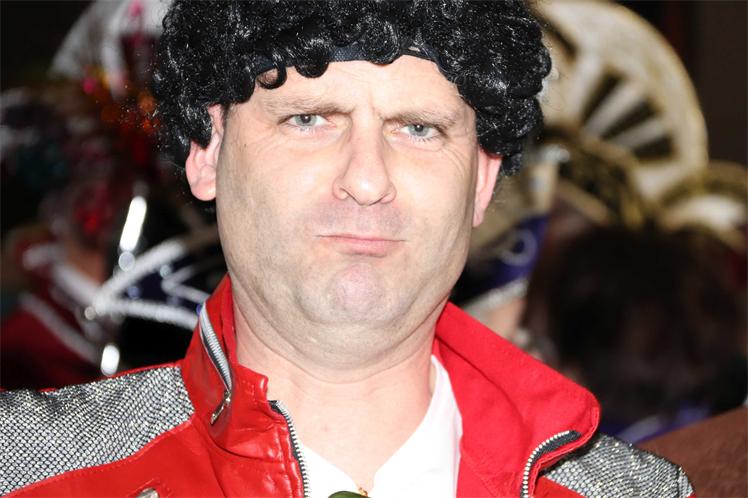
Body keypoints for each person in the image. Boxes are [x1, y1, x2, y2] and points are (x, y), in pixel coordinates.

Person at [1, 2, 693, 497]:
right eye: (310, 119)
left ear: (482, 181)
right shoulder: (27, 473)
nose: (367, 179)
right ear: (207, 152)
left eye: (418, 129)